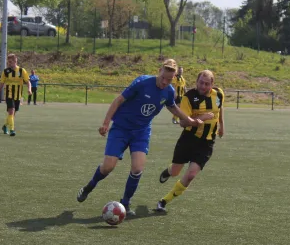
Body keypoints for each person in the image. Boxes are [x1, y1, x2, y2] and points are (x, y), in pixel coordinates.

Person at [76, 59, 209, 217]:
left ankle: (125, 202)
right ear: (159, 71)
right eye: (163, 78)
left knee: (138, 168)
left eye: (169, 79)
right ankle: (89, 187)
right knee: (108, 167)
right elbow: (118, 100)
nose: (165, 82)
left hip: (141, 131)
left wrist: (191, 120)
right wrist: (106, 123)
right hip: (121, 128)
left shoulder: (168, 91)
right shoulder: (142, 82)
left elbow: (172, 107)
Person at [156, 70, 224, 212]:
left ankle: (164, 201)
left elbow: (219, 109)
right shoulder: (188, 98)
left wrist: (222, 126)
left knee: (191, 175)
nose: (203, 86)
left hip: (206, 143)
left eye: (206, 84)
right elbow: (183, 123)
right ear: (196, 82)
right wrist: (202, 118)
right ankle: (169, 171)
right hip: (188, 139)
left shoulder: (218, 94)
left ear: (212, 84)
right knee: (175, 171)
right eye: (200, 83)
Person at [0, 54, 32, 137]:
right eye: (8, 62)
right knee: (11, 111)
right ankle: (12, 130)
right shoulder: (6, 72)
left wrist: (29, 89)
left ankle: (5, 126)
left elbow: (28, 81)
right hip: (9, 94)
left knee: (13, 114)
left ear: (15, 61)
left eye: (10, 62)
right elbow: (1, 83)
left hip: (18, 95)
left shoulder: (22, 71)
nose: (9, 64)